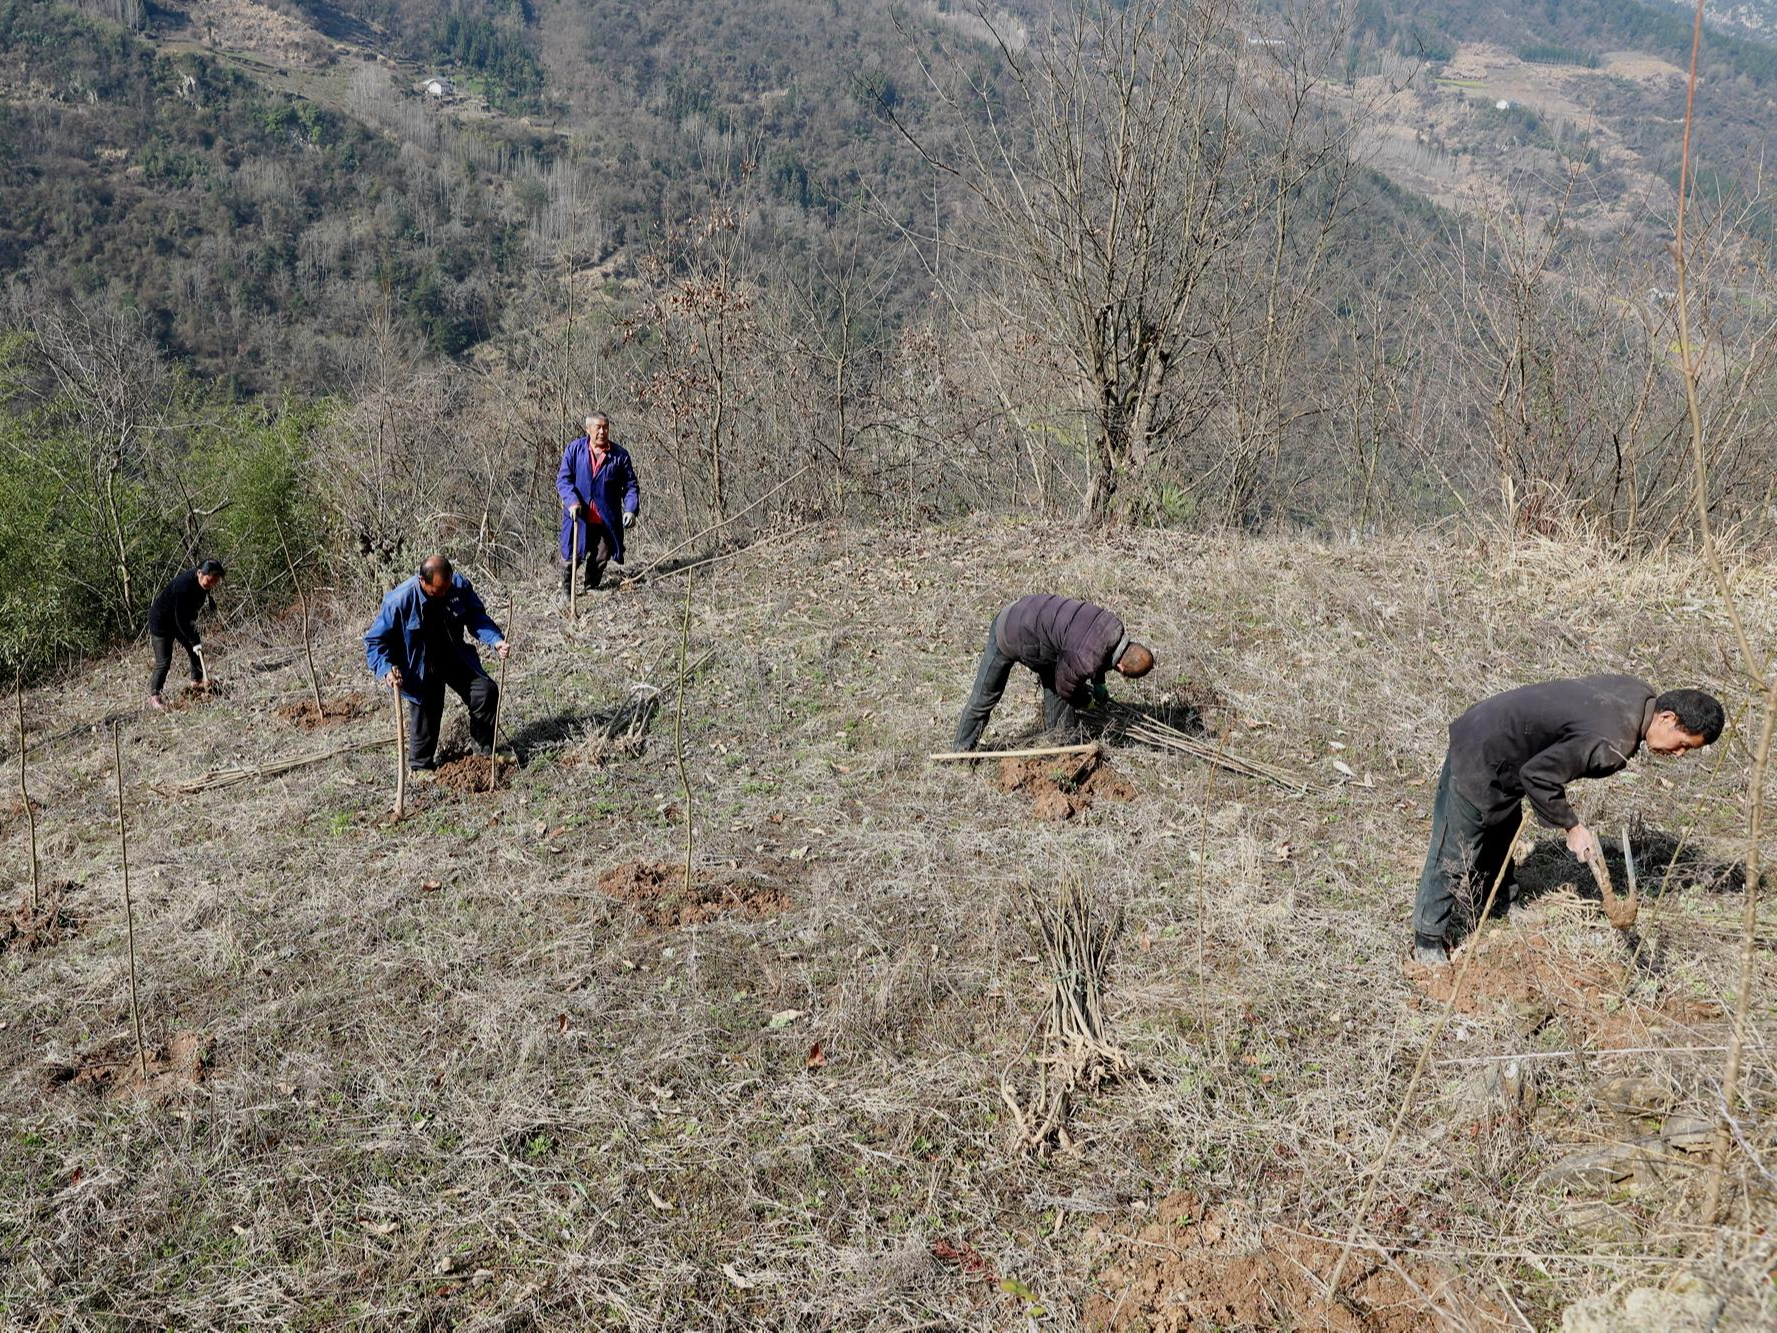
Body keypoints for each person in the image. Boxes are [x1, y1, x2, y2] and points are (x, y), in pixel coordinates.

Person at [1413, 675, 1724, 965]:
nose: (1680, 754)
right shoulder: (1612, 742)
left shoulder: (1640, 696)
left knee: (1502, 826)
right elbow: (1537, 775)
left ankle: (1501, 902)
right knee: (1455, 846)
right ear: (1667, 718)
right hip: (1483, 746)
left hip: (1507, 740)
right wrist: (1572, 827)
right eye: (1683, 744)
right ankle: (1427, 939)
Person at [363, 554, 510, 777]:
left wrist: (495, 640)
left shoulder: (457, 586)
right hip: (420, 667)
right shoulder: (399, 601)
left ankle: (484, 753)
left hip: (454, 656)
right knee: (427, 716)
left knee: (485, 691)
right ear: (422, 580)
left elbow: (477, 617)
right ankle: (421, 768)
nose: (443, 595)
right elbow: (375, 642)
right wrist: (386, 670)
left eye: (446, 589)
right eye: (437, 591)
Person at [953, 594, 1155, 751]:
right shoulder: (1085, 658)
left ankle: (1063, 741)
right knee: (985, 696)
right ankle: (961, 752)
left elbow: (1098, 649)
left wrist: (1098, 682)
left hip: (1034, 612)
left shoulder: (1112, 626)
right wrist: (1086, 701)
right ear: (1121, 668)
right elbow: (1066, 687)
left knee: (1059, 673)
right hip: (1009, 632)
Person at [556, 412, 640, 595]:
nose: (602, 431)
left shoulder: (620, 456)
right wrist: (571, 501)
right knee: (571, 554)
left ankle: (591, 586)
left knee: (601, 555)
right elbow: (563, 480)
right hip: (578, 516)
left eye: (606, 427)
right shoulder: (574, 450)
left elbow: (631, 486)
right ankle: (566, 591)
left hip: (606, 518)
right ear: (588, 429)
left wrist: (631, 510)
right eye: (598, 427)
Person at [147, 559, 226, 710]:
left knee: (195, 650)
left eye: (215, 582)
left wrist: (194, 639)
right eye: (210, 580)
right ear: (199, 573)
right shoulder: (182, 587)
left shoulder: (201, 582)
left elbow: (190, 613)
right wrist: (193, 637)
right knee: (164, 660)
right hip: (161, 621)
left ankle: (196, 682)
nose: (211, 585)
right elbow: (181, 618)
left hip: (177, 620)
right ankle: (155, 697)